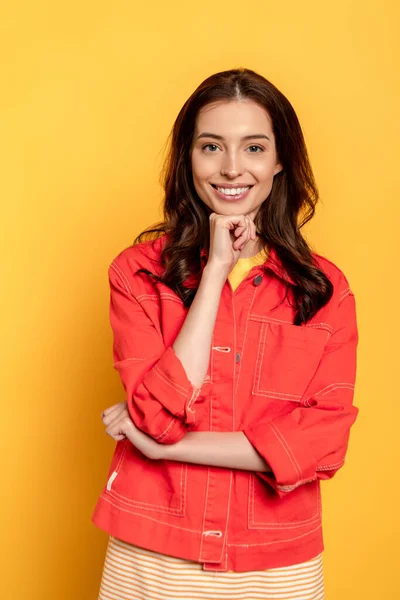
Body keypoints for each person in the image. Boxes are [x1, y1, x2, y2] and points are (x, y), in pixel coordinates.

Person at [92, 68, 359, 600]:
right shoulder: (137, 275)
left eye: (254, 147)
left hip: (277, 566)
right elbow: (156, 418)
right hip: (153, 556)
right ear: (188, 158)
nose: (232, 168)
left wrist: (169, 450)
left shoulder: (326, 290)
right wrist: (214, 271)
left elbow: (323, 444)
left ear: (280, 160)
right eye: (211, 146)